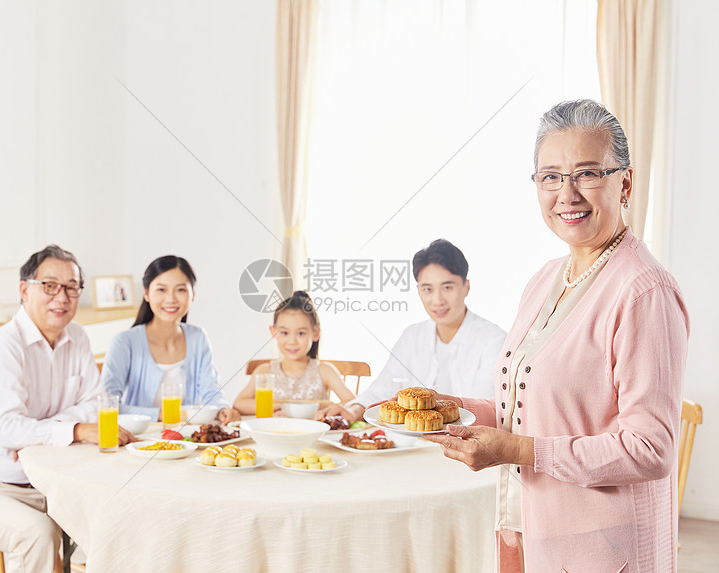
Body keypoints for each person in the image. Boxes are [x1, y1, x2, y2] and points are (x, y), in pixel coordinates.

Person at [424, 99, 689, 572]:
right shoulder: (546, 278)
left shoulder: (643, 291)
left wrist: (519, 451)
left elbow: (650, 449)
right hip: (531, 525)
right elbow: (533, 409)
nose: (567, 194)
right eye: (550, 176)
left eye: (588, 173)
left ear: (625, 183)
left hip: (603, 547)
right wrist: (451, 411)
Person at [0, 245, 136, 573]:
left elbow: (93, 403)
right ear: (24, 290)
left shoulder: (77, 337)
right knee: (38, 535)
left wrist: (41, 433)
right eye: (49, 286)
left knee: (122, 518)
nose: (61, 297)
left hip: (51, 485)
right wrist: (73, 430)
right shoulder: (3, 346)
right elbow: (8, 430)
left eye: (71, 287)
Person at [318, 239, 506, 423]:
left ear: (466, 287)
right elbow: (383, 387)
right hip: (410, 445)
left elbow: (487, 406)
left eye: (447, 287)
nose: (437, 300)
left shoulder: (493, 340)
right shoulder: (412, 336)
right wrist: (352, 410)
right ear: (418, 291)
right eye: (428, 289)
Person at [102, 255, 240, 424]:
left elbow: (210, 390)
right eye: (161, 290)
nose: (171, 299)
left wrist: (221, 409)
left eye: (181, 290)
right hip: (137, 439)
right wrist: (165, 414)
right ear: (146, 294)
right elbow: (108, 404)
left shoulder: (198, 337)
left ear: (193, 295)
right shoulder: (124, 342)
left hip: (186, 438)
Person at [233, 291, 355, 414]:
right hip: (274, 432)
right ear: (273, 331)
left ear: (315, 333)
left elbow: (351, 401)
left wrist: (323, 408)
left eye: (301, 333)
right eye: (284, 333)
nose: (292, 341)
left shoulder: (324, 371)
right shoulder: (265, 371)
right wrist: (283, 405)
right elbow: (239, 404)